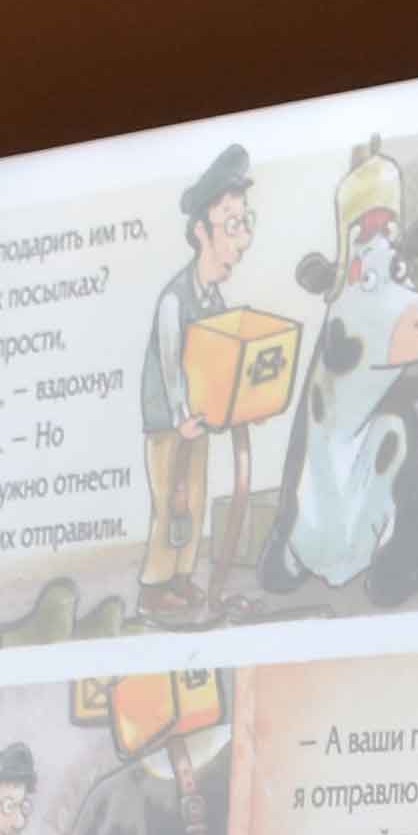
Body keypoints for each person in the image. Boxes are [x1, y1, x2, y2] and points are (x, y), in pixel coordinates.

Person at [139, 143, 261, 626]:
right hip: (169, 424)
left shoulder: (214, 299)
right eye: (231, 226)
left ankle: (182, 577)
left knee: (194, 496)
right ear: (200, 233)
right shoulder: (176, 299)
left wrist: (241, 404)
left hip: (201, 420)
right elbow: (171, 366)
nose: (242, 240)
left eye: (244, 224)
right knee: (169, 501)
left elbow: (222, 359)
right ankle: (153, 589)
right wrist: (179, 416)